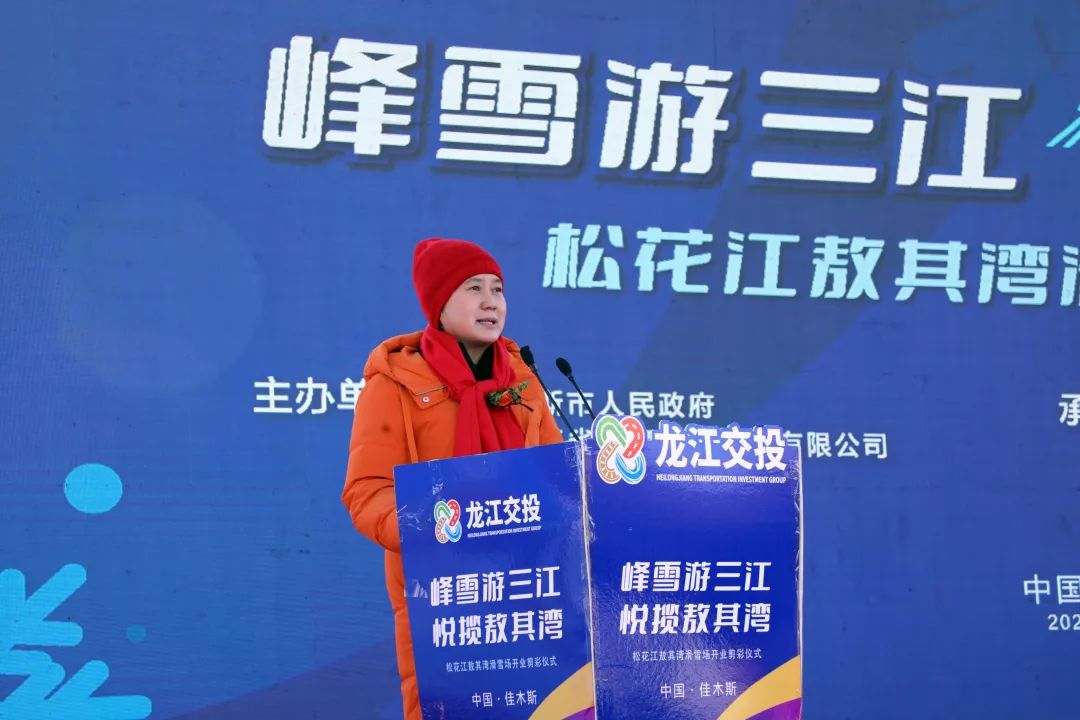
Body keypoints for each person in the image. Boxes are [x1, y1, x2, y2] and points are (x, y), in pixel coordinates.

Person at [342, 237, 564, 720]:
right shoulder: (394, 385)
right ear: (438, 304)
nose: (491, 302)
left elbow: (558, 480)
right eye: (473, 288)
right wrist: (427, 528)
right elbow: (366, 491)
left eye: (498, 289)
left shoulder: (524, 382)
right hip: (442, 594)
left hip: (530, 589)